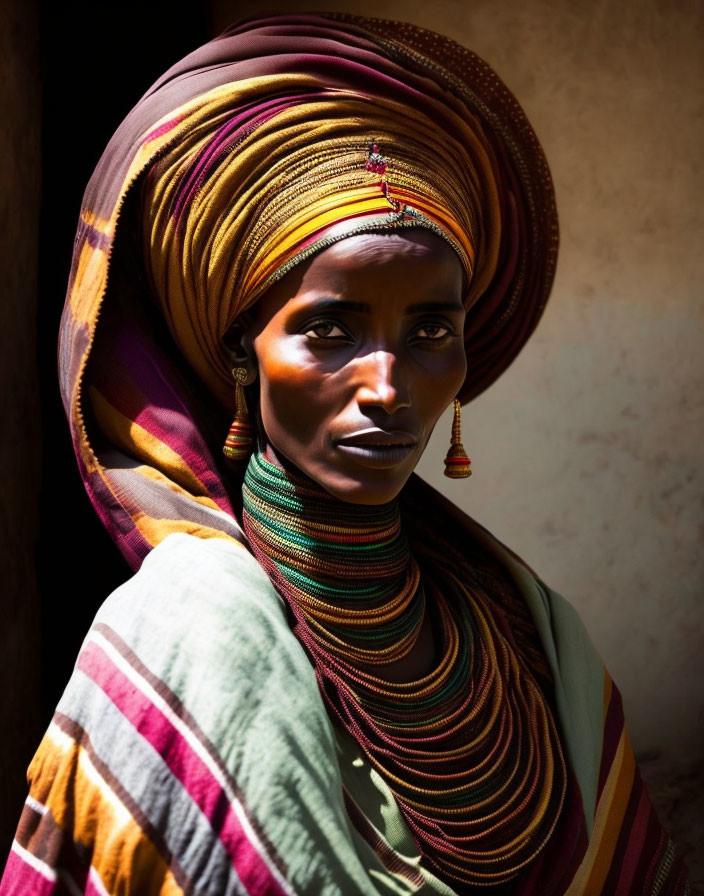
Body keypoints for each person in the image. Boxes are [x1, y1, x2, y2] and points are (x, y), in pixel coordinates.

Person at [0, 12, 690, 896]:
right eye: (330, 329)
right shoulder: (189, 632)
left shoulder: (531, 631)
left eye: (432, 328)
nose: (388, 385)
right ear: (240, 354)